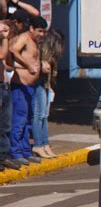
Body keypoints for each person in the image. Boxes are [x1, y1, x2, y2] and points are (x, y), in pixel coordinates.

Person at [8, 15, 47, 165]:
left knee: (27, 121)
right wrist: (28, 66)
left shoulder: (33, 41)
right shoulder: (24, 38)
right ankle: (15, 153)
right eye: (39, 31)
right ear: (31, 28)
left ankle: (25, 151)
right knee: (19, 121)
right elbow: (13, 50)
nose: (41, 34)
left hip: (30, 87)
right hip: (20, 86)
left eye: (44, 32)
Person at [32, 30, 64, 158]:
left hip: (45, 85)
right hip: (39, 84)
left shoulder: (51, 58)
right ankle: (38, 145)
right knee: (38, 116)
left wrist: (50, 87)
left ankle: (45, 144)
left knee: (44, 116)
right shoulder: (42, 56)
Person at [0, 20, 21, 171]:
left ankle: (3, 155)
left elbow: (7, 62)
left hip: (4, 86)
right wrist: (5, 38)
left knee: (6, 124)